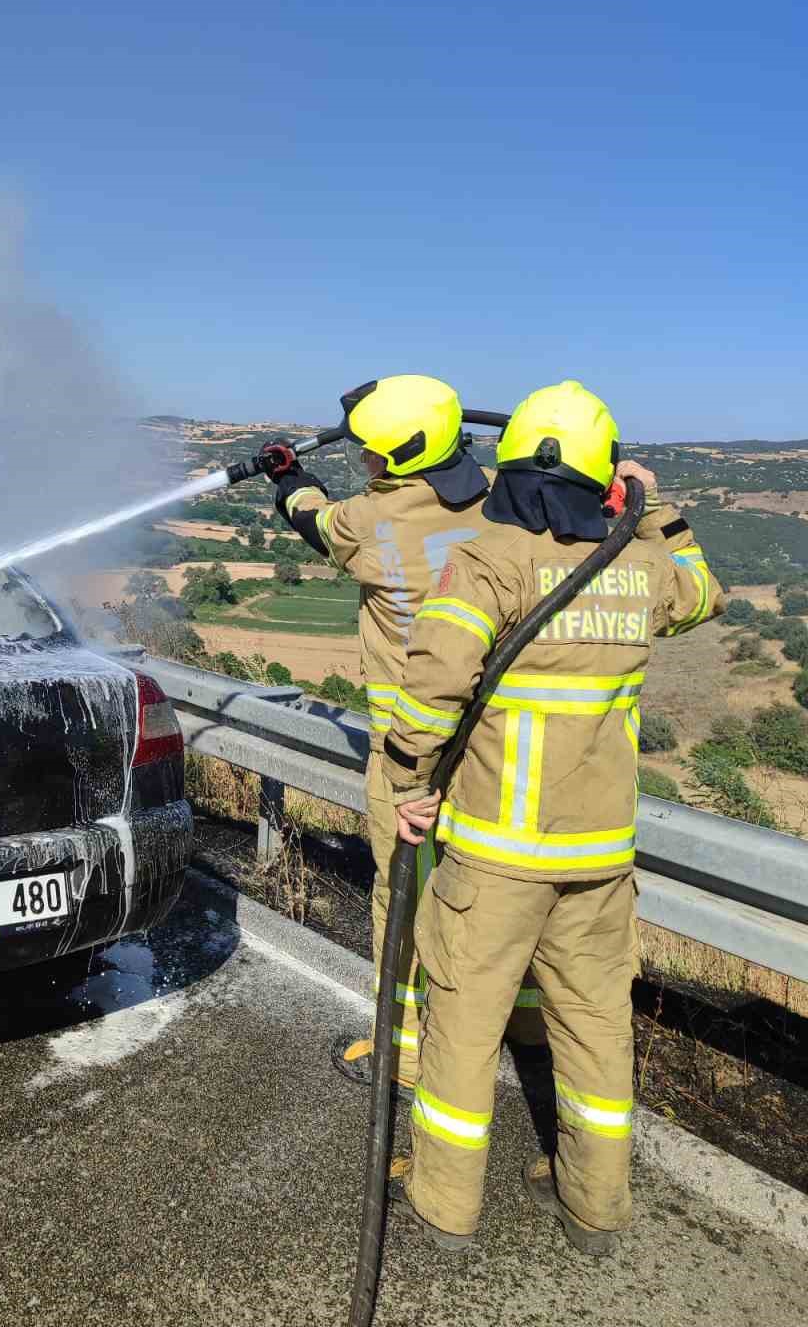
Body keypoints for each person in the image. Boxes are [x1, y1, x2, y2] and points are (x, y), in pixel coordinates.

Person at [381, 380, 723, 1254]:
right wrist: (657, 508)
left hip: (495, 860)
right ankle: (596, 1210)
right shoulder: (640, 569)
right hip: (602, 862)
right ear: (599, 475)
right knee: (596, 1030)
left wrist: (409, 777)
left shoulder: (487, 560)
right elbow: (703, 593)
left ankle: (446, 1210)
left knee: (462, 1027)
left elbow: (430, 693)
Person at [262, 374, 545, 1094]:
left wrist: (289, 475)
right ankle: (524, 1024)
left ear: (385, 462)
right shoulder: (509, 506)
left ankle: (409, 1047)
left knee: (407, 893)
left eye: (370, 455)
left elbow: (310, 519)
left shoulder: (367, 520)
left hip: (411, 750)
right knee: (504, 887)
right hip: (505, 739)